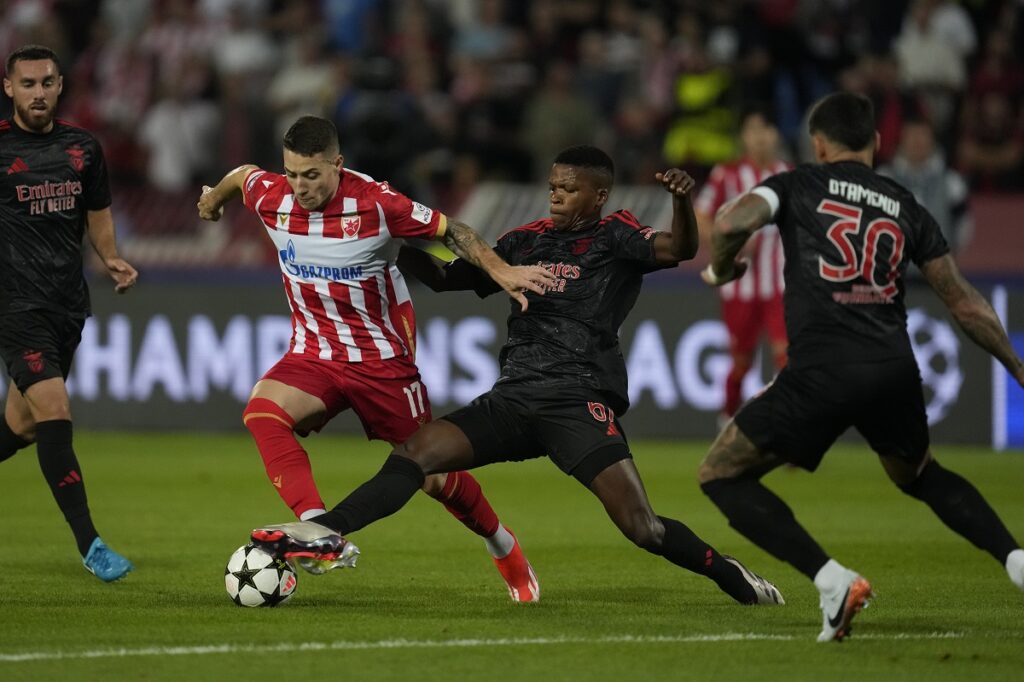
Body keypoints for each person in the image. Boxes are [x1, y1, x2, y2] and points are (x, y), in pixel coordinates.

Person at [249, 145, 785, 607]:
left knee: (642, 528)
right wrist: (388, 244)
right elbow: (441, 277)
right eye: (553, 185)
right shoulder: (523, 241)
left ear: (598, 196)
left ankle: (730, 574)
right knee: (415, 454)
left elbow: (682, 248)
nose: (555, 195)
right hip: (512, 400)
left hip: (576, 401)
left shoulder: (617, 237)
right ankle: (324, 532)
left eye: (569, 189)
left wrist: (680, 201)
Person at [697, 92, 1024, 642]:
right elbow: (963, 300)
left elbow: (731, 220)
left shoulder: (798, 183)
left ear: (818, 143)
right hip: (893, 367)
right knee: (920, 474)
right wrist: (1017, 366)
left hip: (821, 368)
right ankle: (1018, 561)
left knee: (720, 475)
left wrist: (725, 266)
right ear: (875, 142)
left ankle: (831, 581)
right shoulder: (904, 202)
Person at [197, 115, 554, 601]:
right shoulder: (272, 194)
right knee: (262, 412)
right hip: (314, 351)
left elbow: (453, 231)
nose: (299, 187)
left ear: (338, 165)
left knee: (434, 474)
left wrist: (501, 270)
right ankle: (314, 529)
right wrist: (214, 200)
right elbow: (242, 175)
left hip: (381, 360)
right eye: (292, 174)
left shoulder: (377, 204)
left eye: (312, 175)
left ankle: (504, 547)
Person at [0, 45, 138, 582]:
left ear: (60, 86)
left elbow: (97, 213)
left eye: (47, 82)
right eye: (28, 83)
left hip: (67, 307)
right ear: (8, 88)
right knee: (55, 410)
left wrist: (110, 257)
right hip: (15, 306)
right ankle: (91, 544)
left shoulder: (83, 148)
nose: (38, 92)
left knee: (23, 425)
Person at [694, 106, 790, 423]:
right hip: (740, 287)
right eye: (753, 131)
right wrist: (725, 244)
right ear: (744, 137)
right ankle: (727, 417)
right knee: (741, 363)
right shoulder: (728, 174)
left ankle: (787, 429)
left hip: (780, 285)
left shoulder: (788, 175)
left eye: (766, 130)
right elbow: (701, 214)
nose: (760, 138)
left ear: (775, 135)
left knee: (788, 359)